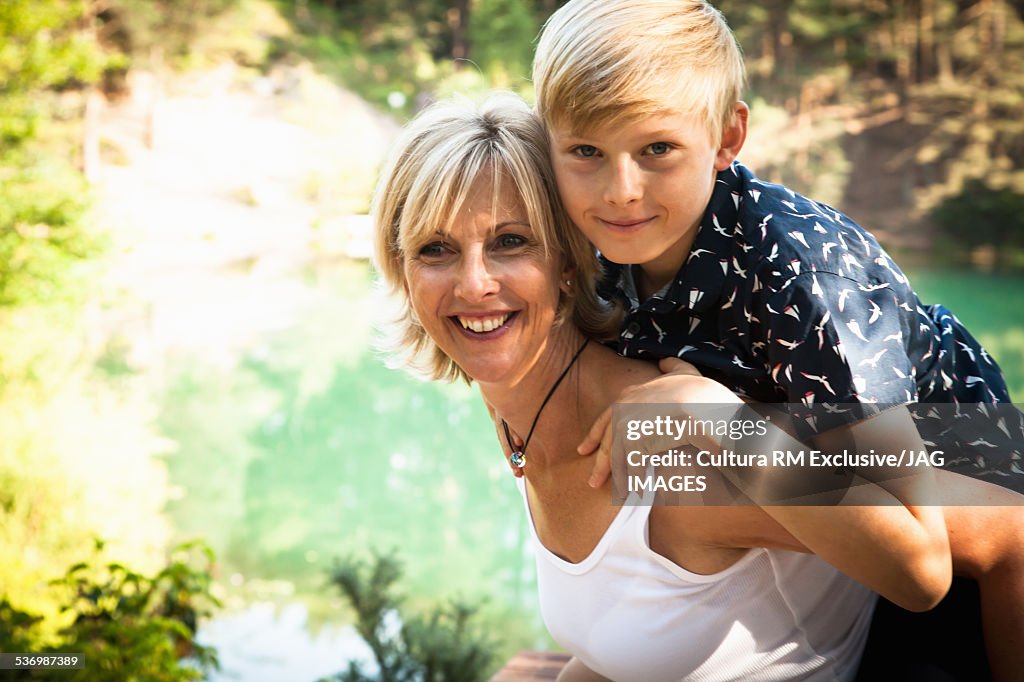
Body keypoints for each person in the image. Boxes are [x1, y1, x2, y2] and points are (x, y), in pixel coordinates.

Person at [371, 93, 1022, 681]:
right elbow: (646, 627)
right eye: (434, 250)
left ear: (569, 262)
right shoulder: (523, 416)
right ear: (399, 268)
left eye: (511, 242)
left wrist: (732, 430)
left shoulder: (684, 446)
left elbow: (1008, 531)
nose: (474, 284)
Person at [531, 1, 1023, 679]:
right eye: (586, 150)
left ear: (728, 137)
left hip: (965, 544)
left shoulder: (803, 270)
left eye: (658, 150)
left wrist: (715, 418)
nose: (621, 190)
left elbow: (921, 564)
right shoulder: (607, 247)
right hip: (814, 511)